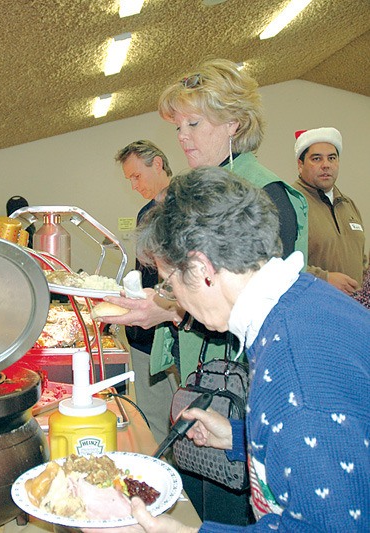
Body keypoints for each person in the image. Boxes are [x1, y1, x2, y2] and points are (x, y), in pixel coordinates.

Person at [100, 166, 370, 533]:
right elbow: (328, 450)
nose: (171, 298)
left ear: (201, 268)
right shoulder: (301, 302)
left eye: (168, 285)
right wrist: (240, 435)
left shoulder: (295, 368)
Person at [105, 58, 309, 526]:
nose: (182, 137)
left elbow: (259, 304)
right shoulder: (203, 190)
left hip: (243, 388)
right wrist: (162, 309)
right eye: (178, 126)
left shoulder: (268, 195)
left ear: (234, 123)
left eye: (194, 123)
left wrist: (167, 309)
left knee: (228, 504)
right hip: (204, 380)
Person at [113, 140, 178, 444]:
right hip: (148, 332)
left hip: (180, 326)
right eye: (129, 180)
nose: (134, 185)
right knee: (155, 417)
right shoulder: (144, 213)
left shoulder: (187, 204)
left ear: (158, 164)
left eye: (137, 176)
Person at [292, 127, 365, 295]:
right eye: (316, 159)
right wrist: (324, 279)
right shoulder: (291, 201)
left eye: (332, 158)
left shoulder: (348, 204)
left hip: (352, 309)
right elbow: (277, 262)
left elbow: (361, 261)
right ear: (300, 164)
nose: (326, 165)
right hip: (310, 308)